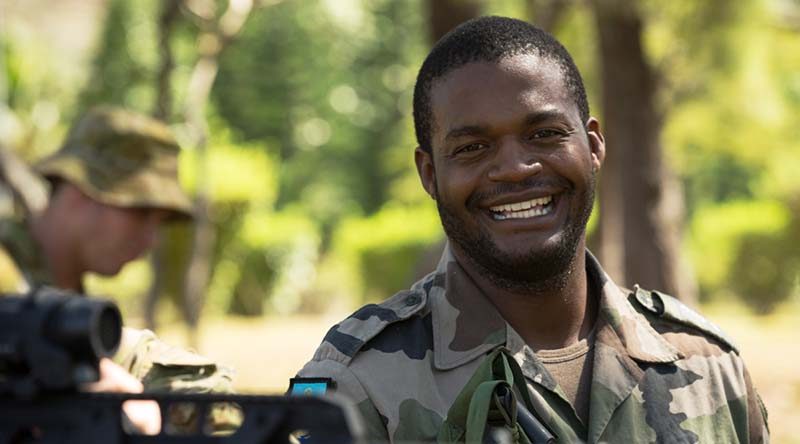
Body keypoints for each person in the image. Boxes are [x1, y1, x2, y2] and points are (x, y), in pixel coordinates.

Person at [295, 17, 769, 443]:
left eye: (544, 134)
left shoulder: (708, 366)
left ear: (593, 144)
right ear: (429, 174)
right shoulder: (354, 388)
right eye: (473, 147)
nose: (516, 169)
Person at [0, 106, 236, 434]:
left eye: (161, 222)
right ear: (80, 188)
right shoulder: (8, 277)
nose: (151, 238)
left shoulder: (69, 306)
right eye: (140, 213)